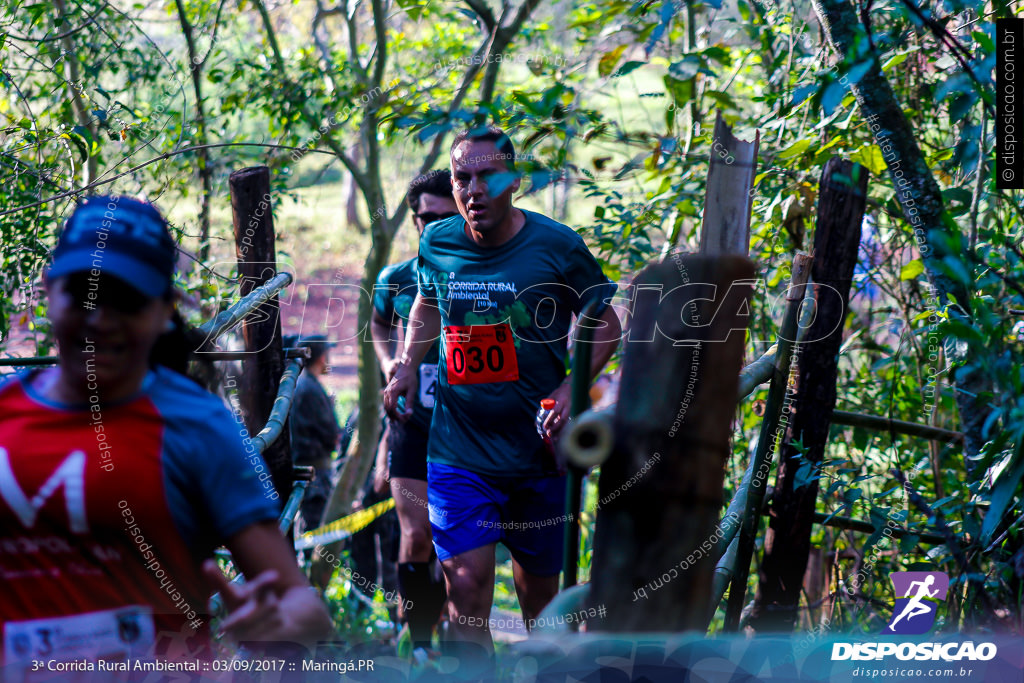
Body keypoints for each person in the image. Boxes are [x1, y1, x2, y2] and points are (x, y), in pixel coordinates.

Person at [0, 196, 332, 672]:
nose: (99, 317)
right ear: (48, 293)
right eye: (82, 292)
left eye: (126, 299)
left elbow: (306, 609)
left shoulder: (199, 428)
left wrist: (278, 621)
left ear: (164, 311)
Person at [383, 127, 622, 653]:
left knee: (541, 605)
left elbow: (606, 324)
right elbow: (425, 304)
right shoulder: (436, 241)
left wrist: (568, 389)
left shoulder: (556, 246)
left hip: (538, 453)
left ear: (512, 181)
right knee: (466, 595)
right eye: (462, 178)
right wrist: (404, 365)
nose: (474, 190)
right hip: (458, 453)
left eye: (488, 176)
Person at [371, 169, 457, 653]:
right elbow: (379, 322)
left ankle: (448, 629)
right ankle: (418, 643)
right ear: (414, 220)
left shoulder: (490, 272)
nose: (437, 227)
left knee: (454, 539)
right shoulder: (396, 278)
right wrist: (391, 366)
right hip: (413, 423)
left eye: (449, 217)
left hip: (468, 427)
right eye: (428, 218)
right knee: (417, 533)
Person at [288, 334, 341, 534]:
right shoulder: (310, 389)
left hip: (311, 474)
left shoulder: (305, 385)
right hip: (315, 477)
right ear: (321, 358)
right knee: (316, 532)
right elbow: (331, 434)